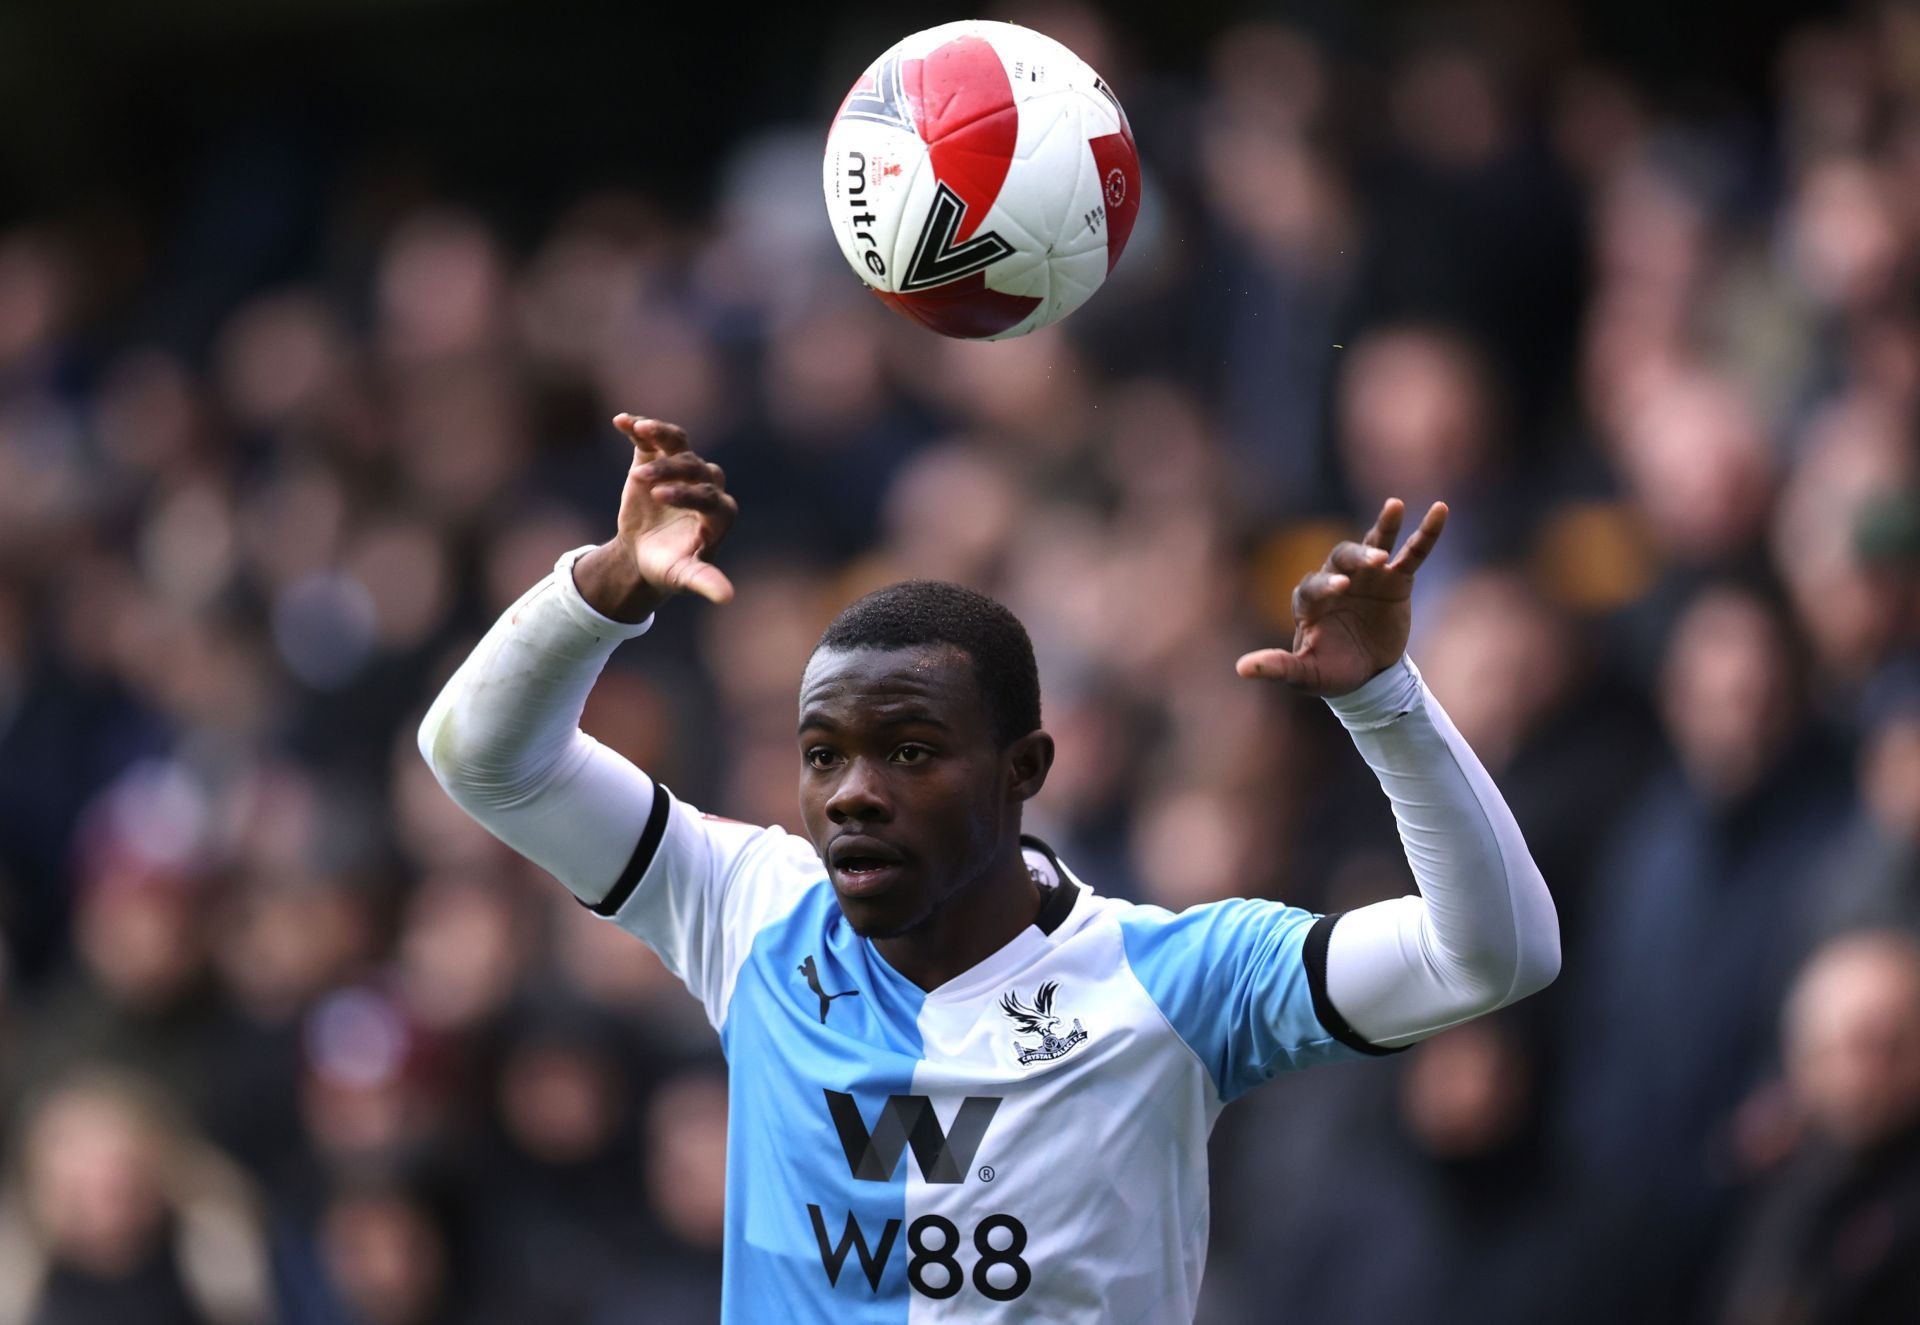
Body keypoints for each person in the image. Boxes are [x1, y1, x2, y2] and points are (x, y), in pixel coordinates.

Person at [418, 415, 1561, 1321]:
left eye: (910, 751)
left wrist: (1384, 700)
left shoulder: (1173, 979)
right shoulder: (749, 911)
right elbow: (480, 756)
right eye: (823, 754)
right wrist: (599, 593)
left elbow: (1494, 954)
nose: (854, 790)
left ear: (1024, 768)